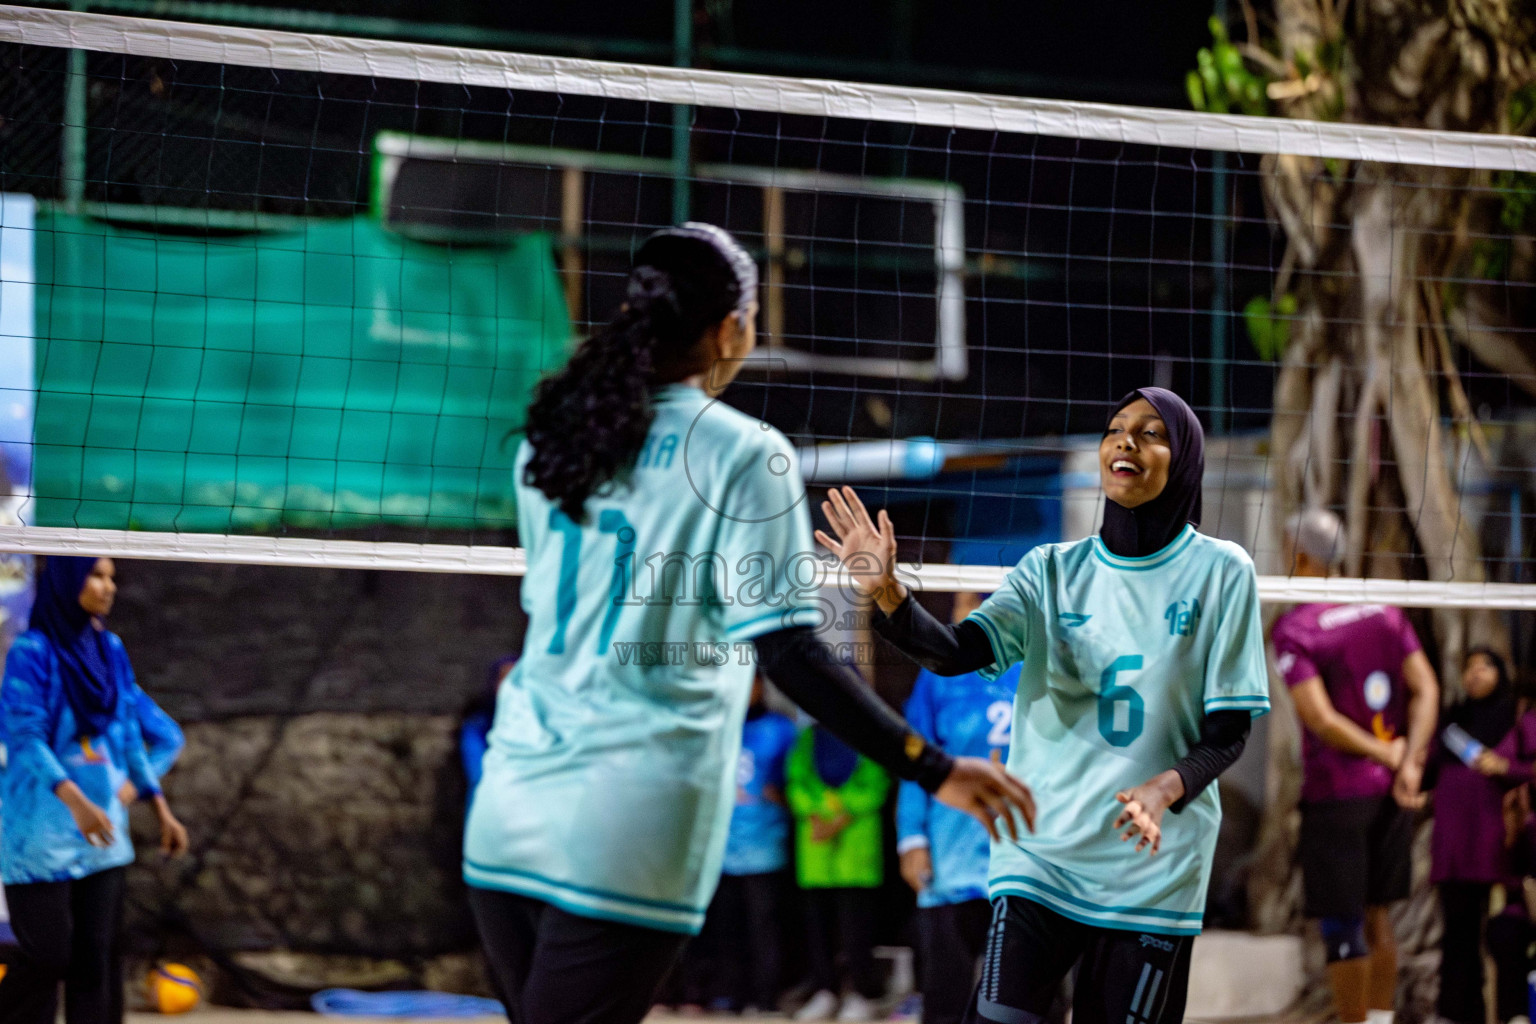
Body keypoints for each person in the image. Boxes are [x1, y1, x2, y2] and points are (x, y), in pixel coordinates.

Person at [461, 223, 1035, 1024]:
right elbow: (794, 654)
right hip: (626, 821)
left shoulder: (549, 445)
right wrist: (935, 768)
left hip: (507, 813)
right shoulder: (743, 453)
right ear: (734, 327)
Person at [817, 387, 1271, 1024]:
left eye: (1151, 432)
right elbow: (953, 652)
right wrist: (889, 591)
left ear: (1187, 458)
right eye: (1116, 429)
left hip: (1152, 869)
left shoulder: (1222, 571)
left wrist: (1162, 791)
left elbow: (1229, 732)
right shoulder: (1048, 570)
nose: (1126, 441)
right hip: (1042, 857)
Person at [0, 556, 189, 1024]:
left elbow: (127, 732)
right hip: (38, 836)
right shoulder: (32, 651)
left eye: (112, 578)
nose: (108, 587)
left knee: (95, 963)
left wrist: (158, 805)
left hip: (103, 837)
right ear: (67, 581)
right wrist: (75, 799)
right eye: (96, 575)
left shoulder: (111, 649)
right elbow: (24, 737)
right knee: (48, 956)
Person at [1272, 508, 1440, 1024]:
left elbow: (1320, 720)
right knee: (1379, 917)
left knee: (1342, 925)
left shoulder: (1296, 628)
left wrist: (1384, 751)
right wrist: (1408, 761)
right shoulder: (1387, 611)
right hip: (1390, 792)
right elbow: (1427, 688)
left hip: (1337, 794)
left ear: (1300, 556)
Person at [896, 592, 1022, 1024]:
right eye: (960, 604)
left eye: (974, 602)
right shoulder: (936, 676)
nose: (962, 614)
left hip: (1022, 858)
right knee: (945, 996)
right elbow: (914, 758)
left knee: (1022, 1000)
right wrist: (911, 838)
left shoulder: (1035, 669)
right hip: (950, 858)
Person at [1428, 647, 1536, 1024]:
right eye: (1468, 667)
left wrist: (1506, 766)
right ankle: (1456, 1013)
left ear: (1502, 673)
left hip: (1497, 849)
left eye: (1485, 666)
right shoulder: (1451, 720)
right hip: (1453, 849)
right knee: (1457, 936)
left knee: (1504, 934)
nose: (1475, 674)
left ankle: (1511, 1013)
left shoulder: (1517, 716)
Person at [786, 722, 889, 1022]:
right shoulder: (808, 737)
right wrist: (817, 812)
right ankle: (826, 991)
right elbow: (795, 781)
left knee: (856, 929)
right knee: (818, 929)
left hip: (853, 846)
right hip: (817, 849)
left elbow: (877, 782)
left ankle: (862, 993)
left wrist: (839, 814)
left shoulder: (869, 731)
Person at [713, 674, 797, 1015]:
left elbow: (797, 777)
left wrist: (784, 797)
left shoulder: (781, 729)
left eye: (752, 683)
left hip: (765, 844)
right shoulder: (719, 728)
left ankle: (766, 996)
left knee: (764, 926)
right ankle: (733, 994)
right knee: (728, 927)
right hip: (723, 846)